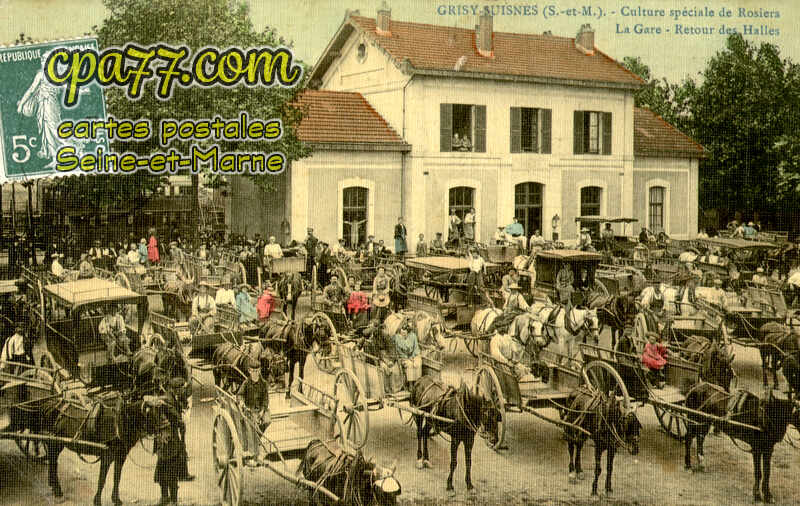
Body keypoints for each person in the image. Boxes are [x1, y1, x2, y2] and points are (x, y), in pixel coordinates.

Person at [237, 357, 270, 460]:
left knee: (267, 421)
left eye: (257, 371)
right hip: (249, 409)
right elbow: (240, 395)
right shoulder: (246, 383)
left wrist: (263, 410)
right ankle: (253, 451)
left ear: (259, 371)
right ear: (249, 371)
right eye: (253, 371)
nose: (255, 373)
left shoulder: (264, 384)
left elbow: (265, 399)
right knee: (251, 425)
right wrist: (242, 403)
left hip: (261, 409)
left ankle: (258, 438)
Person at [392, 319, 421, 389]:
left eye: (405, 333)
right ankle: (410, 384)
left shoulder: (413, 336)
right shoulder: (397, 338)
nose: (403, 335)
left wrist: (413, 357)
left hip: (413, 356)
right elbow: (398, 351)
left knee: (418, 363)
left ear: (408, 332)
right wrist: (407, 358)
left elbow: (416, 348)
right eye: (402, 333)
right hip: (403, 357)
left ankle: (417, 382)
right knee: (410, 364)